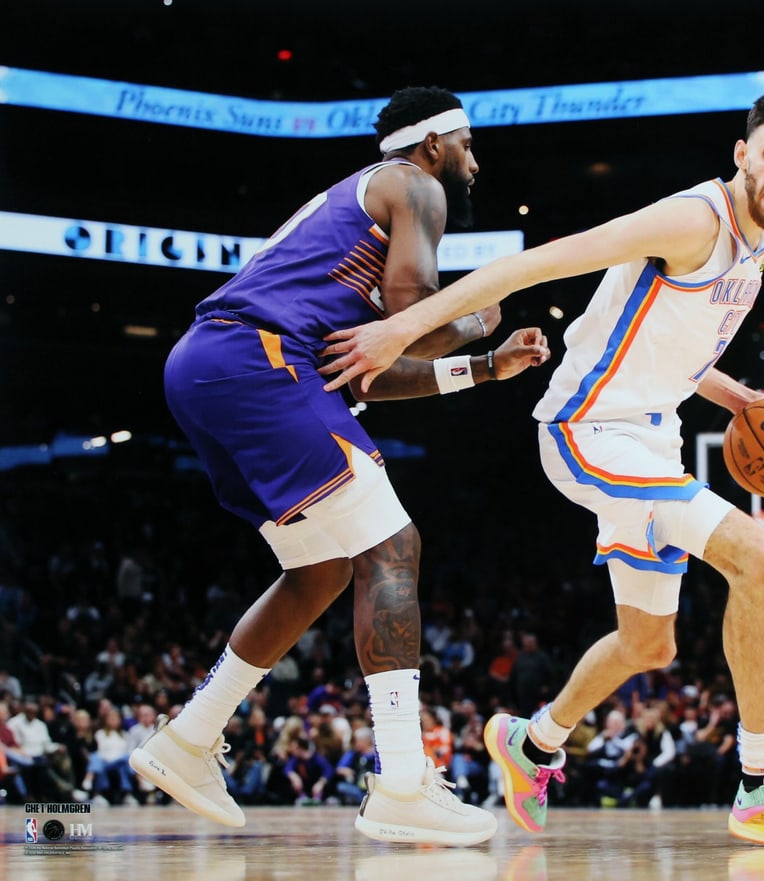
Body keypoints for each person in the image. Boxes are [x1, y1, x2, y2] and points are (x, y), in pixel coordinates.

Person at [319, 89, 764, 847]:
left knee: (649, 645)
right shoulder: (694, 220)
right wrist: (398, 330)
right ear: (742, 155)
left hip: (653, 437)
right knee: (759, 555)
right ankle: (763, 782)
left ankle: (533, 742)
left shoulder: (757, 241)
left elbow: (675, 349)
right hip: (589, 430)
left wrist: (741, 398)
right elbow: (535, 264)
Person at [129, 85, 550, 847]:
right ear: (433, 144)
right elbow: (414, 315)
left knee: (318, 569)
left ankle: (188, 738)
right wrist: (474, 316)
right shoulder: (412, 184)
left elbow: (369, 374)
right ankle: (401, 782)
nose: (474, 163)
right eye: (467, 146)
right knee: (393, 546)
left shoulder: (351, 229)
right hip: (256, 358)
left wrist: (485, 366)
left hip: (212, 367)